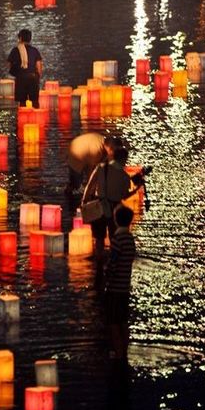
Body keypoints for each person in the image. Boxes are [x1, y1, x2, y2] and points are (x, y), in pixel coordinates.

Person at [82, 146, 135, 260]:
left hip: (98, 207)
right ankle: (113, 261)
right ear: (123, 159)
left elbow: (90, 185)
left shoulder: (101, 168)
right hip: (115, 209)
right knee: (113, 237)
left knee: (99, 238)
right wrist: (136, 190)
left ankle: (99, 260)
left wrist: (84, 201)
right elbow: (124, 196)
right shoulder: (124, 176)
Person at [105, 205, 136, 362]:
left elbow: (113, 264)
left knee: (113, 322)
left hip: (115, 288)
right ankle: (124, 351)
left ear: (116, 220)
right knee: (123, 321)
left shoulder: (117, 240)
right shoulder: (130, 239)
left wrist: (106, 277)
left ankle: (118, 353)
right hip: (125, 287)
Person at [7, 28, 42, 108]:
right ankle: (36, 117)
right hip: (33, 77)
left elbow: (9, 64)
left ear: (20, 38)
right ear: (30, 39)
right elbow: (39, 65)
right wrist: (38, 77)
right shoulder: (34, 50)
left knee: (22, 102)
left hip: (21, 77)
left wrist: (15, 72)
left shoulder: (15, 50)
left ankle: (24, 118)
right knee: (35, 101)